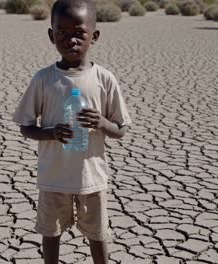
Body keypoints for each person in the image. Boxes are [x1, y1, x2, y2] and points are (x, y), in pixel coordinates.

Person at [12, 0, 131, 263]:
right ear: (51, 35)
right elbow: (26, 126)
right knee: (50, 233)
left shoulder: (104, 79)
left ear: (95, 36)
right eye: (62, 32)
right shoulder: (44, 79)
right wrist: (50, 133)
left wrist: (102, 123)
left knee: (98, 234)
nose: (70, 39)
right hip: (53, 178)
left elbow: (120, 129)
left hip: (91, 178)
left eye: (79, 32)